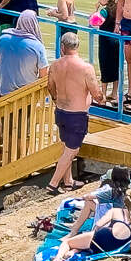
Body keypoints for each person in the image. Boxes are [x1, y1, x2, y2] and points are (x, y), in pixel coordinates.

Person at [46, 30, 101, 193]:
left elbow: (50, 86)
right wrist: (102, 98)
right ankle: (53, 184)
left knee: (66, 146)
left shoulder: (55, 65)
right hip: (77, 114)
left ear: (62, 47)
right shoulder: (86, 68)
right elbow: (96, 93)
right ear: (77, 47)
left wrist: (56, 99)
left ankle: (68, 181)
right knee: (72, 149)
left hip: (61, 111)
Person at [57, 187, 131, 258]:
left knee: (72, 242)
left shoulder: (114, 204)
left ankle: (62, 255)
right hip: (120, 243)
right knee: (87, 241)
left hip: (103, 239)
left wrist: (93, 233)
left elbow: (98, 225)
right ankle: (75, 250)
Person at [0, 10, 49, 94]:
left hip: (5, 94)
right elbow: (43, 75)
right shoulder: (38, 46)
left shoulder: (2, 39)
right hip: (27, 96)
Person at [93, 0, 122, 101]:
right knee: (116, 66)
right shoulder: (117, 8)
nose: (99, 1)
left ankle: (103, 94)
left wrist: (95, 10)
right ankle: (114, 93)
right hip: (117, 41)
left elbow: (94, 22)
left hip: (106, 41)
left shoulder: (104, 11)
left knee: (104, 66)